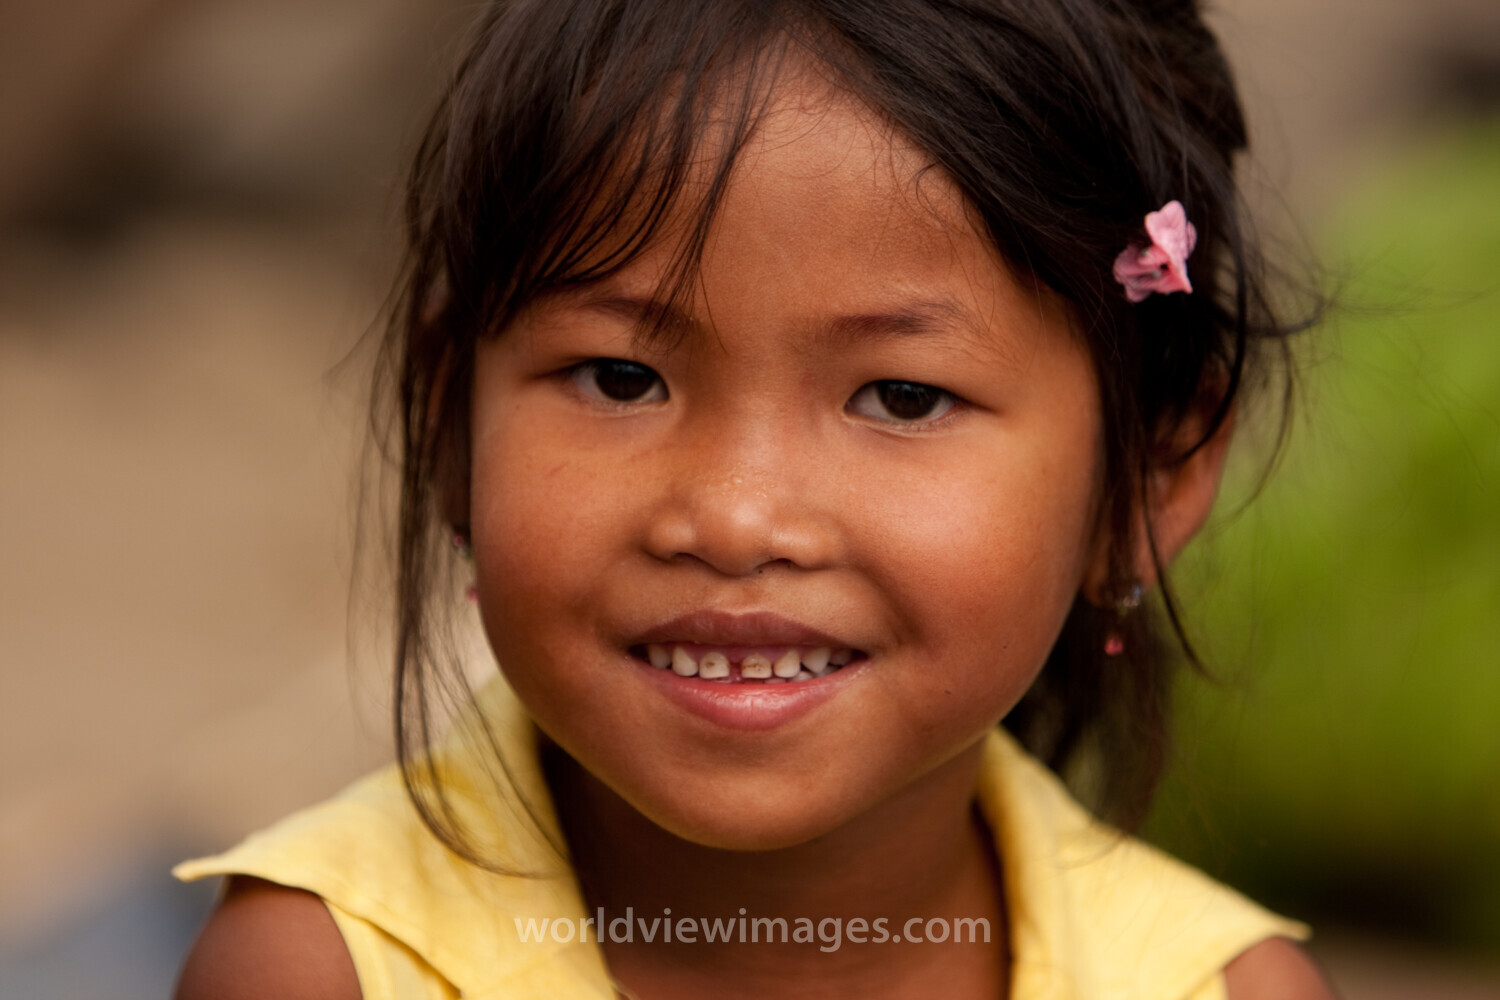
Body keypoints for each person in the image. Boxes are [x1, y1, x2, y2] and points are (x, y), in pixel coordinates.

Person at [174, 1, 1338, 997]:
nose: (734, 516)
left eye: (901, 397)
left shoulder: (1212, 988)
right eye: (622, 377)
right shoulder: (326, 968)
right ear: (450, 427)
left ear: (1146, 478)